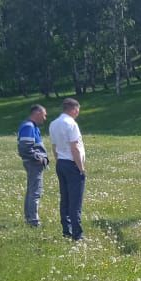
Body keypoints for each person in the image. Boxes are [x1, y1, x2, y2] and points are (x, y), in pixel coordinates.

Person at [49, 98, 86, 241]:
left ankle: (66, 229)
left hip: (61, 163)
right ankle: (77, 233)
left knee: (65, 198)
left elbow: (54, 147)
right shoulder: (71, 123)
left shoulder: (53, 124)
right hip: (72, 163)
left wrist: (59, 162)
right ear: (73, 109)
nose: (78, 113)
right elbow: (75, 147)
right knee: (75, 200)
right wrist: (81, 168)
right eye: (77, 110)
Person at [17, 104, 49, 226]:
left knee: (32, 190)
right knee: (35, 192)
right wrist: (38, 158)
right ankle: (33, 221)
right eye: (44, 115)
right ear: (37, 113)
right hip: (33, 164)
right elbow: (24, 147)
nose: (45, 118)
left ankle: (29, 218)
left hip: (33, 163)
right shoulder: (28, 126)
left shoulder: (31, 126)